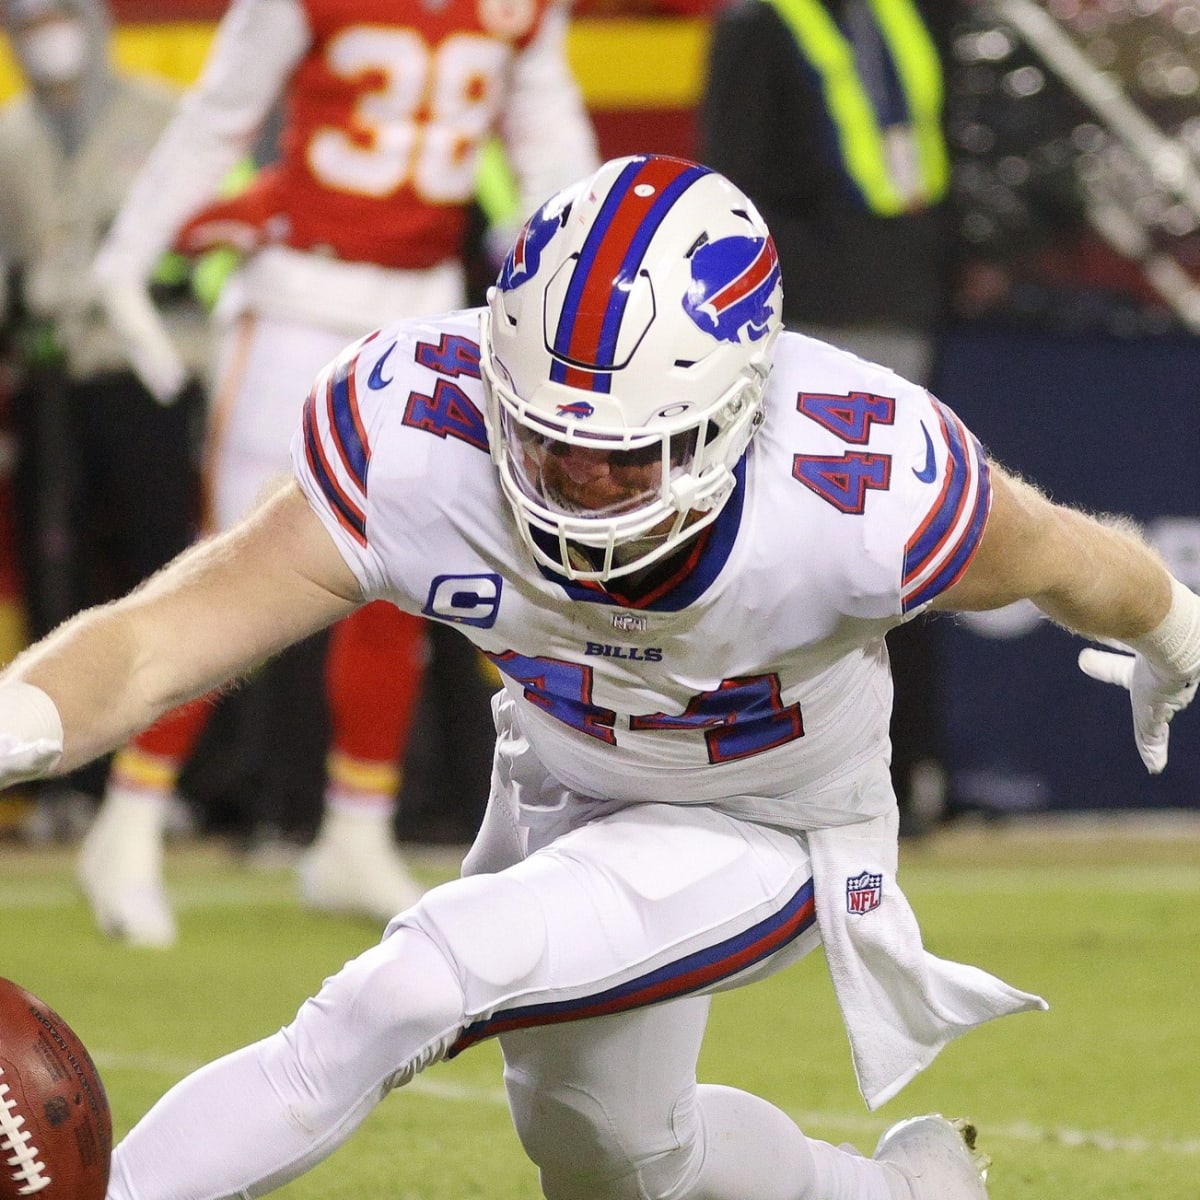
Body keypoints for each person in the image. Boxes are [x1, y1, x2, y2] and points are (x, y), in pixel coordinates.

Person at [2, 154, 1198, 1200]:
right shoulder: (420, 432)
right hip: (562, 782)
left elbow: (1061, 557)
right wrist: (22, 716)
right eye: (547, 440)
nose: (576, 482)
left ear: (736, 413)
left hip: (768, 821)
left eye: (620, 460)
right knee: (617, 1160)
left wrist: (1176, 634)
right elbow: (159, 638)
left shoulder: (859, 487)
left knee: (411, 987)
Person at [80, 0, 599, 946]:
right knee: (230, 570)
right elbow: (220, 114)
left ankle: (356, 827)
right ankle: (131, 815)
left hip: (425, 305)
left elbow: (549, 134)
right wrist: (126, 256)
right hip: (295, 300)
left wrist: (570, 268)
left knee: (407, 578)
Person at [697, 0, 958, 832]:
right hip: (804, 330)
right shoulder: (757, 27)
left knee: (898, 550)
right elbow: (732, 186)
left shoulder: (909, 17)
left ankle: (900, 768)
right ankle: (767, 769)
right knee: (791, 553)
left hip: (902, 313)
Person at [0, 0, 207, 811]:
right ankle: (68, 784)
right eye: (26, 20)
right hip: (53, 380)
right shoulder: (10, 136)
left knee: (170, 569)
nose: (46, 34)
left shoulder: (161, 117)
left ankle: (180, 777)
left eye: (57, 14)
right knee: (60, 574)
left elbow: (207, 246)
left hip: (148, 372)